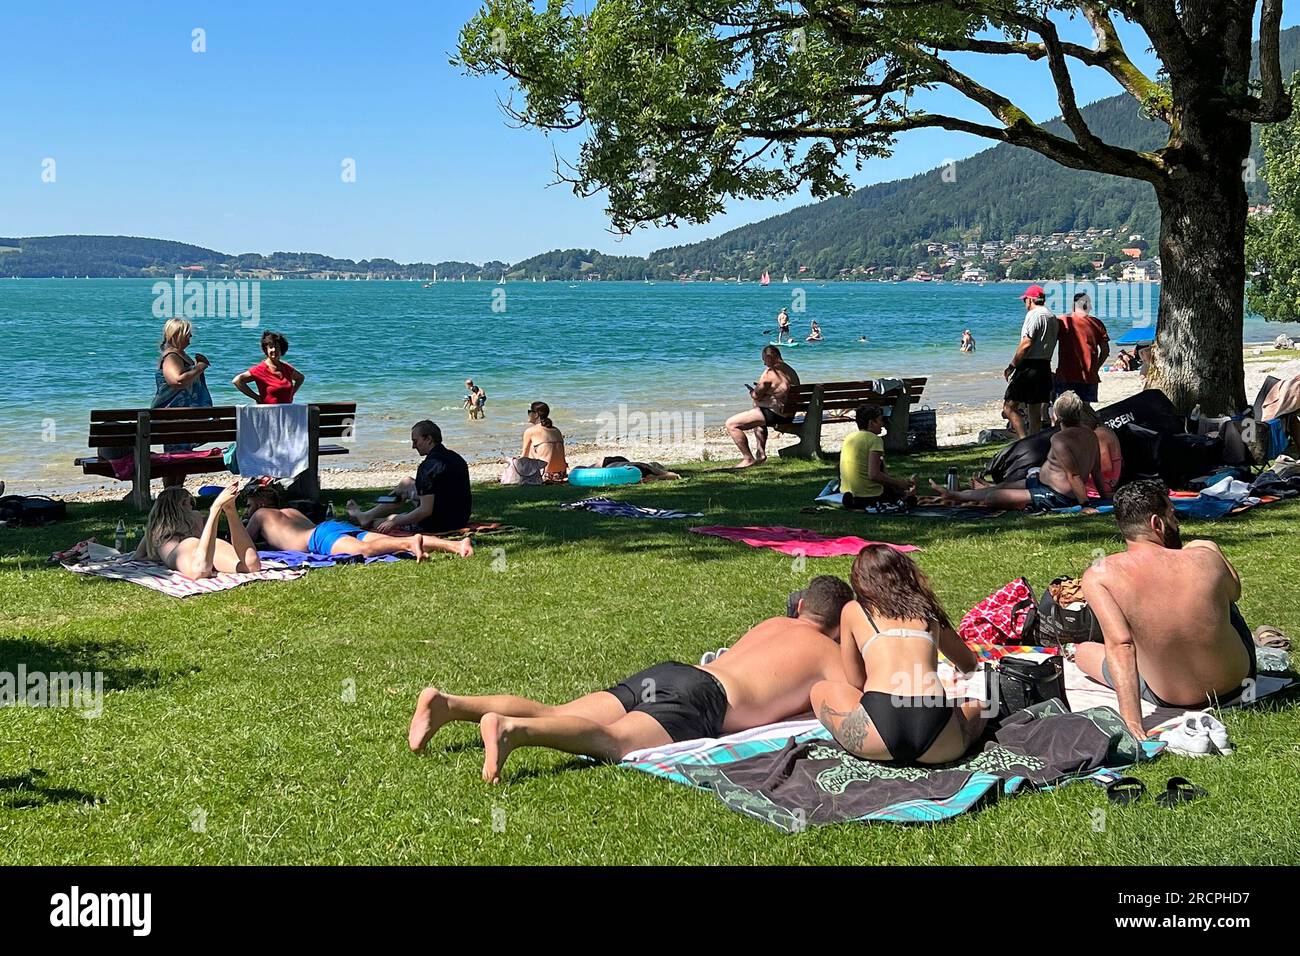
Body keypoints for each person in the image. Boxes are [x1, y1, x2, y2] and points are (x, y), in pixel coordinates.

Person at [408, 576, 856, 782]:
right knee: (615, 742)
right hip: (705, 699)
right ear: (839, 624)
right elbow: (848, 700)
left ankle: (450, 704)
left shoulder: (768, 625)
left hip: (676, 672)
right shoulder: (829, 651)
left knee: (560, 712)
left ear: (799, 608)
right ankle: (511, 731)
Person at [1075, 481, 1260, 740]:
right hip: (1237, 682)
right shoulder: (1206, 554)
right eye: (1173, 515)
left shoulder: (1100, 575)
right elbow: (1234, 594)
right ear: (1157, 523)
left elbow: (1122, 646)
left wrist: (1132, 721)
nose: (1177, 522)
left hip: (1171, 697)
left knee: (1083, 652)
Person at [810, 545, 986, 765]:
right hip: (938, 733)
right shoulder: (928, 611)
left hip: (878, 727)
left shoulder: (854, 610)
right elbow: (968, 664)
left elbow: (855, 681)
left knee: (820, 690)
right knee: (981, 705)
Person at [932, 391, 1108, 511]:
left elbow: (1074, 475)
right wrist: (1104, 496)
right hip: (1042, 482)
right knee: (1003, 486)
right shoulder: (1090, 435)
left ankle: (968, 494)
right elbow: (1096, 472)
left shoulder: (1060, 439)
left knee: (995, 497)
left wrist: (1085, 504)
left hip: (1056, 495)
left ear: (1056, 415)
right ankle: (954, 494)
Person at [243, 484, 471, 560]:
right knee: (382, 539)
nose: (248, 510)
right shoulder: (290, 511)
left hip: (318, 539)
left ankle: (410, 544)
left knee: (363, 550)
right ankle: (456, 545)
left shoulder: (260, 516)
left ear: (261, 504)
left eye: (250, 505)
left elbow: (244, 543)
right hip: (330, 527)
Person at [347, 420, 472, 534]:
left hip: (439, 523)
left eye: (415, 441)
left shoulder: (427, 467)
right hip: (460, 516)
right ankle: (366, 516)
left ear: (428, 439)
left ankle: (368, 520)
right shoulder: (456, 458)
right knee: (406, 482)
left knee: (383, 522)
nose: (413, 446)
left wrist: (395, 521)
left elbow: (425, 511)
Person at [132, 483, 261, 580]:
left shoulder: (157, 528)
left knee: (201, 570)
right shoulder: (194, 517)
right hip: (203, 547)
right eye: (189, 503)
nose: (192, 506)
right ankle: (228, 510)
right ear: (182, 504)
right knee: (251, 565)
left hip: (190, 552)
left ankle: (218, 509)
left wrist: (158, 558)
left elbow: (138, 556)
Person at [152, 318, 214, 478]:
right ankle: (172, 493)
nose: (190, 336)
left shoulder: (181, 355)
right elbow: (177, 380)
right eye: (187, 334)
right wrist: (199, 368)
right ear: (176, 335)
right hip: (173, 418)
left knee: (181, 458)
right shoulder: (171, 356)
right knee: (175, 459)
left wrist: (197, 367)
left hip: (184, 417)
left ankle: (175, 493)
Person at [725, 345, 799, 468]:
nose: (764, 363)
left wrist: (751, 391)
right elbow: (780, 391)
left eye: (764, 359)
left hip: (777, 415)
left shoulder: (770, 372)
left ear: (770, 357)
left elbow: (756, 395)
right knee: (757, 413)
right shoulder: (790, 370)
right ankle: (761, 454)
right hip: (789, 414)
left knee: (731, 424)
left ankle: (748, 458)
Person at [1002, 284, 1059, 438]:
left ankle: (1023, 439)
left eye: (1025, 300)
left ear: (1030, 300)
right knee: (1035, 410)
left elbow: (1026, 343)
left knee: (1009, 407)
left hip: (1029, 366)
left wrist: (1012, 365)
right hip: (1045, 365)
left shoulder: (1034, 315)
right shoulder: (1052, 317)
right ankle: (1034, 443)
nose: (1025, 304)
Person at [839, 404, 916, 509]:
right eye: (880, 420)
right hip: (869, 496)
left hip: (847, 493)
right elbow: (874, 475)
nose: (882, 424)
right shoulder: (874, 440)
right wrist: (899, 484)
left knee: (895, 489)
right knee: (909, 499)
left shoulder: (849, 438)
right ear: (871, 423)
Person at [1054, 293, 1109, 402]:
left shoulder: (1061, 321)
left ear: (1073, 306)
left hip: (1066, 375)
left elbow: (1049, 345)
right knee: (1086, 410)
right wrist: (1095, 368)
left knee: (1064, 411)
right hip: (1089, 376)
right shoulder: (1097, 323)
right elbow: (1105, 351)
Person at [232, 330, 304, 404]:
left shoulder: (286, 368)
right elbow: (237, 381)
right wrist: (257, 398)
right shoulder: (260, 369)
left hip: (286, 412)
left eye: (277, 347)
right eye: (271, 347)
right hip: (268, 413)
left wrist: (292, 393)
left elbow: (300, 378)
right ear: (266, 349)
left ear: (282, 349)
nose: (274, 350)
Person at [520, 401, 568, 480]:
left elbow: (524, 457)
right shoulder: (556, 430)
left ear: (536, 414)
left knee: (532, 449)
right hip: (561, 473)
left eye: (529, 412)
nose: (528, 414)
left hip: (545, 475)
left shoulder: (530, 431)